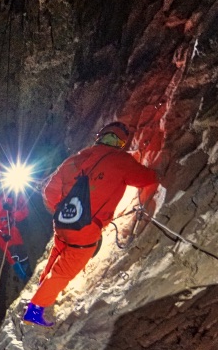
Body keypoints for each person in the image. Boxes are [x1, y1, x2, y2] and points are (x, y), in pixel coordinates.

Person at [23, 121, 159, 328]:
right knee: (65, 270)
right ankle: (35, 310)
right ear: (121, 142)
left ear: (100, 137)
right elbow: (145, 178)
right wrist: (155, 169)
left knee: (58, 253)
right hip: (86, 229)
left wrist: (62, 210)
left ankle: (43, 286)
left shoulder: (76, 158)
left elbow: (50, 190)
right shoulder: (121, 161)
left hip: (62, 222)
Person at [0, 190, 31, 282]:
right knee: (12, 254)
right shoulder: (0, 200)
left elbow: (23, 215)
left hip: (11, 227)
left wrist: (12, 209)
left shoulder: (20, 198)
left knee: (21, 250)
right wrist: (2, 233)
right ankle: (24, 278)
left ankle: (29, 273)